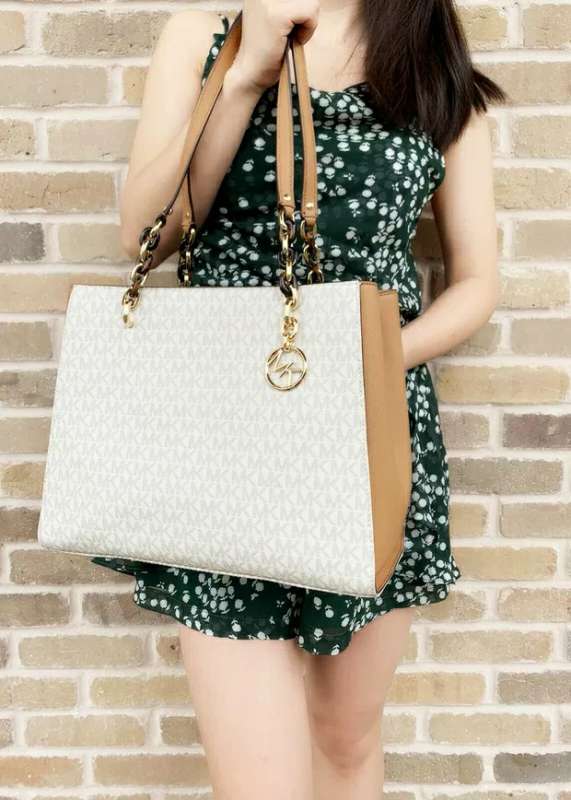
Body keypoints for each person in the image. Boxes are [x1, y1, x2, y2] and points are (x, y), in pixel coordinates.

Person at [91, 1, 504, 797]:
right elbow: (146, 232)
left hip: (370, 430)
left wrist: (365, 362)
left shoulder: (429, 63)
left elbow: (477, 280)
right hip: (225, 433)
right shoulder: (207, 38)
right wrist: (246, 74)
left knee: (343, 740)